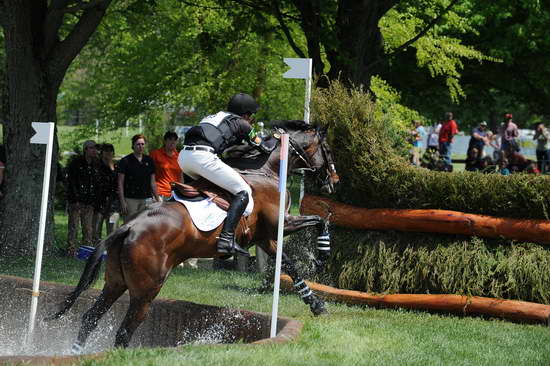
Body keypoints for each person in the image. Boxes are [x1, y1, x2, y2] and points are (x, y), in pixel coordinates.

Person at [178, 93, 274, 257]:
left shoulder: (214, 117)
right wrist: (277, 137)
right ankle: (226, 239)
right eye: (251, 116)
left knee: (211, 191)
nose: (251, 120)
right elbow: (265, 147)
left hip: (184, 158)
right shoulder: (242, 123)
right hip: (203, 158)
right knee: (243, 191)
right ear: (245, 114)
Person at [66, 140, 100, 256]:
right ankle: (71, 251)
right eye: (92, 148)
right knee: (74, 227)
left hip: (89, 202)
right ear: (86, 149)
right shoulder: (76, 163)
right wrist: (75, 200)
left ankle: (86, 252)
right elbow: (71, 182)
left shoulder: (96, 165)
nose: (95, 150)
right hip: (76, 201)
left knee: (88, 229)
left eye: (95, 148)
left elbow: (96, 183)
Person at [118, 134, 160, 223]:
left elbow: (153, 183)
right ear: (133, 145)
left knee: (145, 226)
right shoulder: (125, 161)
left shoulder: (149, 160)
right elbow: (120, 183)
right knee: (130, 225)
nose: (140, 146)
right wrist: (122, 201)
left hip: (146, 198)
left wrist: (157, 199)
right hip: (130, 199)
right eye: (138, 144)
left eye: (142, 144)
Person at [93, 143, 119, 243]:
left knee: (113, 231)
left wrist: (111, 167)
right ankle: (95, 251)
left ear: (113, 153)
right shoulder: (96, 166)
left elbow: (118, 183)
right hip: (98, 203)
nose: (108, 153)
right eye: (106, 151)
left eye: (110, 151)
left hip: (113, 204)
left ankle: (110, 252)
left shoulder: (117, 167)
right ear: (102, 153)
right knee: (96, 231)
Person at [150, 131, 183, 200]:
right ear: (165, 141)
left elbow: (181, 176)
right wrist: (155, 195)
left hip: (176, 195)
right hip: (160, 194)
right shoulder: (155, 154)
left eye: (175, 140)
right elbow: (148, 175)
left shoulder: (180, 156)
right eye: (170, 139)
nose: (172, 142)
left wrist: (182, 192)